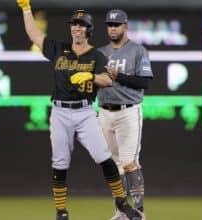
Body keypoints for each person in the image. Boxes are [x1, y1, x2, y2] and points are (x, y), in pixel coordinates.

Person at [16, 1, 142, 220]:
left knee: (105, 159)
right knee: (60, 162)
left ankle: (122, 205)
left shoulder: (96, 56)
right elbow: (35, 35)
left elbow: (107, 80)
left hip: (84, 112)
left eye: (82, 25)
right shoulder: (59, 49)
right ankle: (61, 212)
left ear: (89, 30)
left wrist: (91, 76)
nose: (77, 28)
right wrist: (27, 10)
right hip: (60, 111)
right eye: (74, 24)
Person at [98, 9, 154, 220]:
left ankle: (139, 211)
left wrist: (118, 76)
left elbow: (144, 82)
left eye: (117, 24)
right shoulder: (101, 52)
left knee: (129, 162)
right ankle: (121, 212)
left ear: (125, 26)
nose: (113, 28)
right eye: (110, 25)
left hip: (128, 111)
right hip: (104, 111)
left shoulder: (137, 51)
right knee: (113, 165)